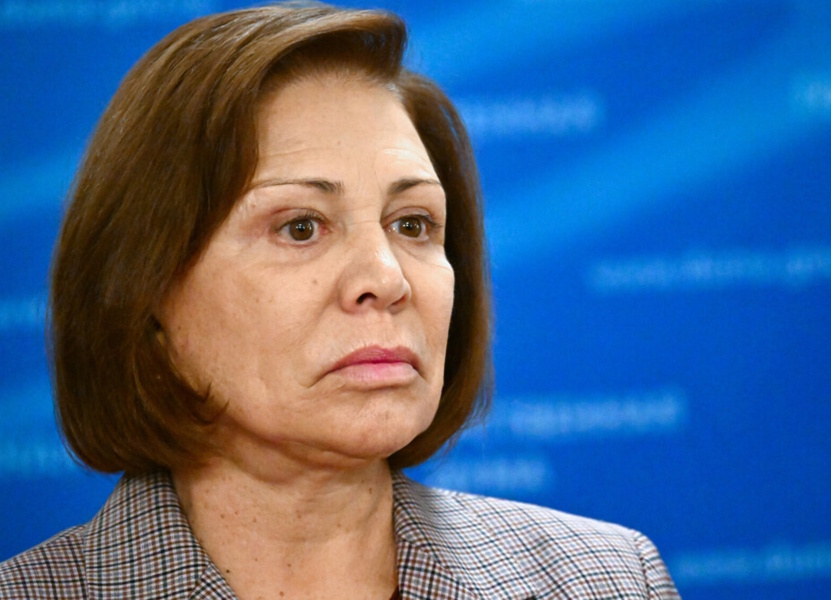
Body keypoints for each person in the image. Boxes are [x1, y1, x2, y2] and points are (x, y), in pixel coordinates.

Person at [0, 3, 680, 598]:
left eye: (412, 224)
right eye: (301, 227)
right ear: (146, 292)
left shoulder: (609, 579)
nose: (387, 278)